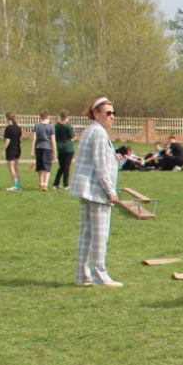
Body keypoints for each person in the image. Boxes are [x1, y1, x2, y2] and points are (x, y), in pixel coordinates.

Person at [69, 96, 122, 286]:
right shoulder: (98, 132)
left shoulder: (91, 130)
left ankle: (82, 275)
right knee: (100, 236)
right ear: (96, 114)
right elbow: (100, 166)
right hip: (96, 191)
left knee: (87, 234)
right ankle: (100, 275)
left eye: (113, 113)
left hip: (87, 190)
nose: (112, 116)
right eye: (108, 113)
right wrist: (110, 191)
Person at [52, 109, 75, 189]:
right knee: (66, 167)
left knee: (61, 167)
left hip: (60, 148)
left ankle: (56, 183)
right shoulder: (68, 126)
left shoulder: (56, 126)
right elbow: (72, 137)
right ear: (67, 117)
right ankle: (66, 184)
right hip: (68, 148)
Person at [33, 111, 55, 191]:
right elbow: (53, 140)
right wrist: (54, 151)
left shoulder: (36, 126)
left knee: (40, 166)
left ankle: (41, 183)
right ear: (48, 117)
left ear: (41, 117)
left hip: (38, 147)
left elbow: (34, 138)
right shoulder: (51, 127)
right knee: (47, 166)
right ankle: (45, 184)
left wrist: (33, 149)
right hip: (47, 147)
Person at [2, 112, 22, 190]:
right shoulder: (18, 127)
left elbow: (7, 140)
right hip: (18, 149)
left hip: (11, 149)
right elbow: (20, 140)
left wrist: (3, 150)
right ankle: (18, 184)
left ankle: (15, 185)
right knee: (16, 168)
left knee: (11, 168)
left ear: (7, 118)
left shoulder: (8, 128)